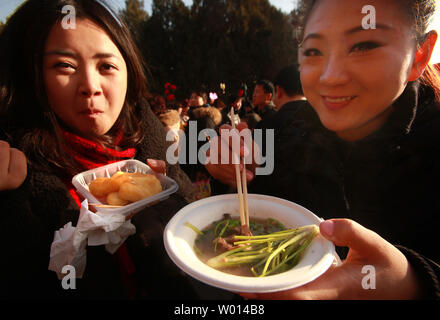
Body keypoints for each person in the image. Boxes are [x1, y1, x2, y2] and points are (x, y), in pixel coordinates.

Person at [206, 0, 440, 299]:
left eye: (364, 45)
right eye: (314, 51)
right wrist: (223, 166)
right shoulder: (284, 126)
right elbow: (239, 202)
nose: (330, 76)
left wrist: (413, 283)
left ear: (419, 56)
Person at [0, 0, 200, 299]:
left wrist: (162, 208)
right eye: (65, 66)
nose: (90, 85)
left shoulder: (149, 137)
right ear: (33, 77)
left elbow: (193, 228)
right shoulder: (14, 168)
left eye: (106, 66)